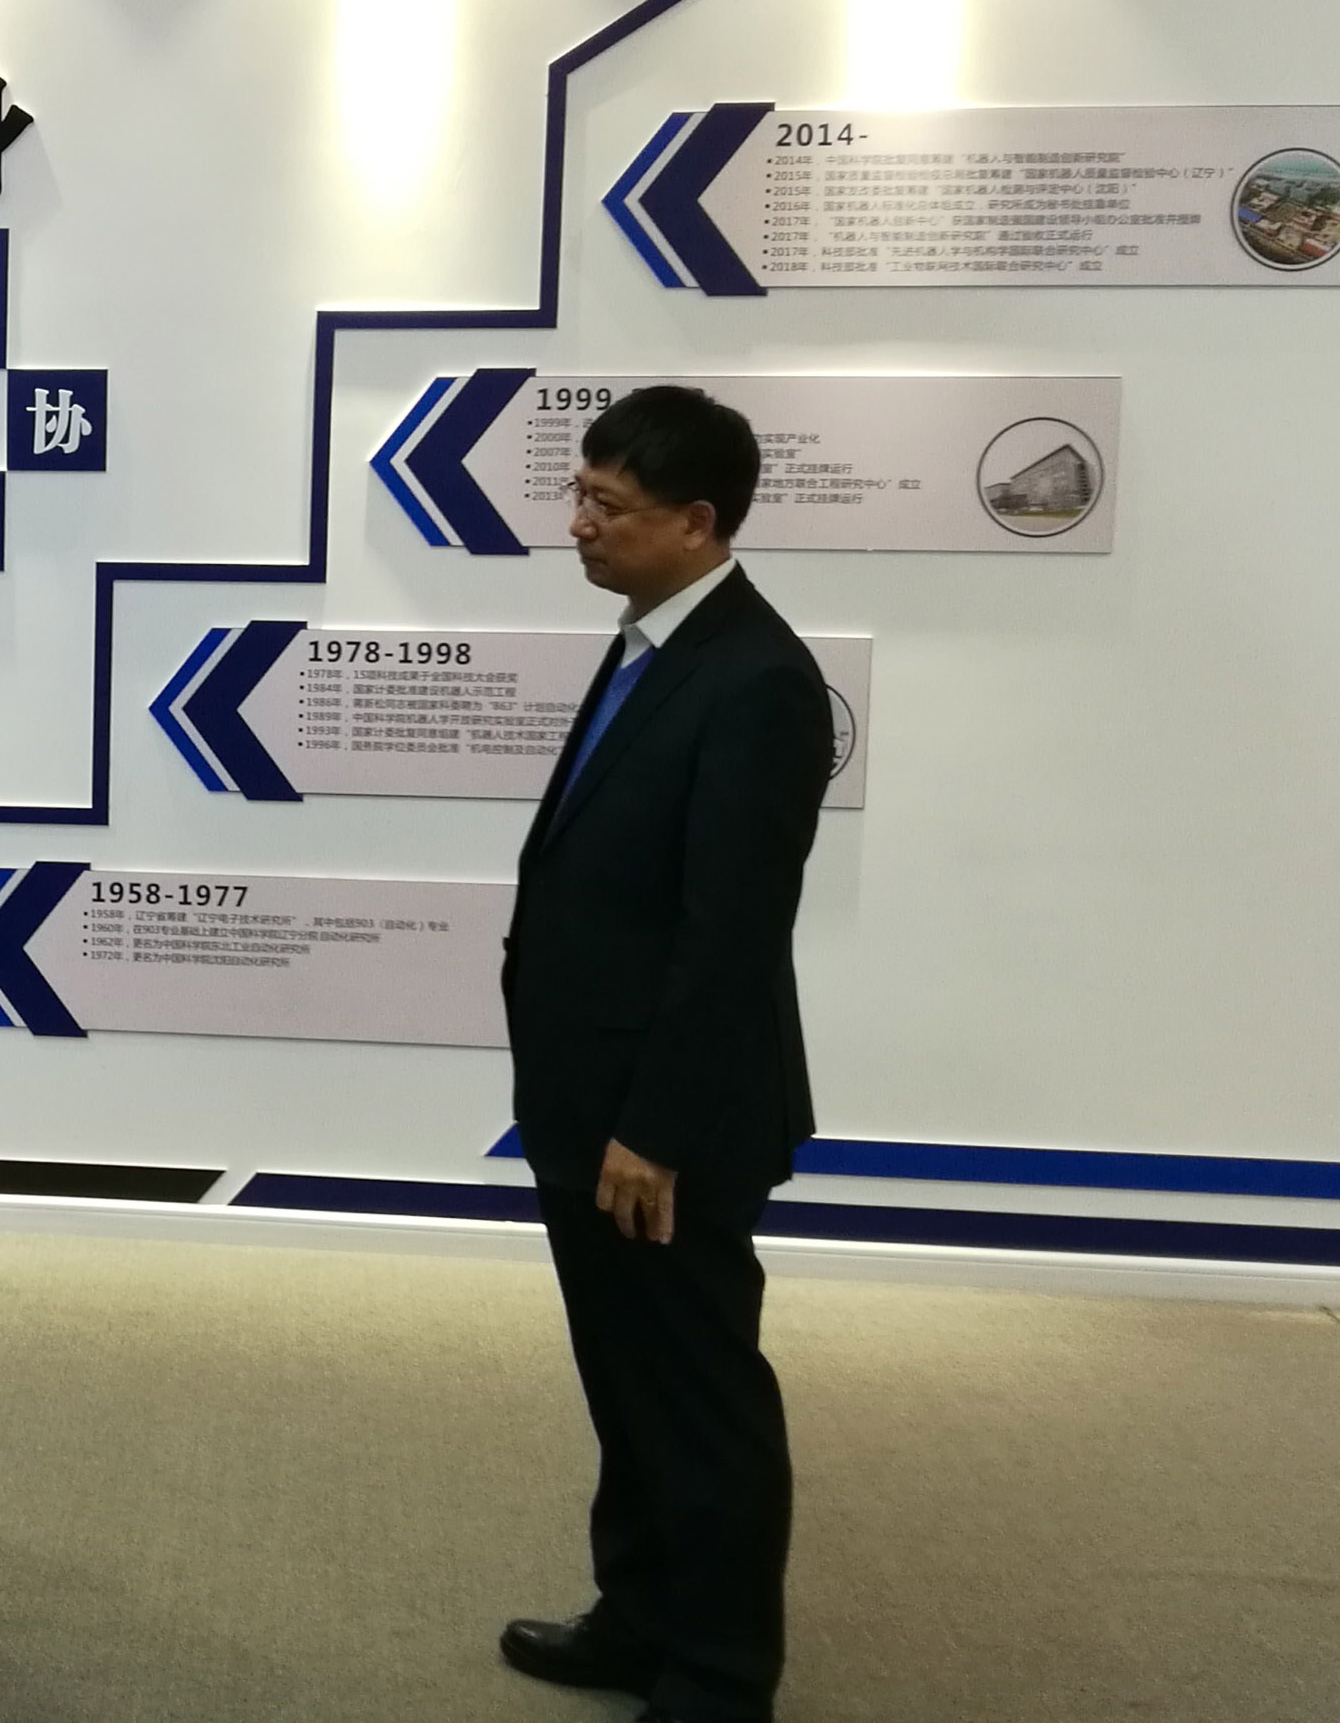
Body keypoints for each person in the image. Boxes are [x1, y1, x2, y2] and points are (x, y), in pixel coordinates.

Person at [497, 386, 831, 1723]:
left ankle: (720, 1677)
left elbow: (730, 935)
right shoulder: (651, 642)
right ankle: (637, 1617)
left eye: (607, 505)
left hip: (665, 1126)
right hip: (594, 1101)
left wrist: (657, 1130)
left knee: (698, 1401)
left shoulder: (759, 680)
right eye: (578, 494)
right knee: (628, 1385)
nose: (578, 523)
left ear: (698, 521)